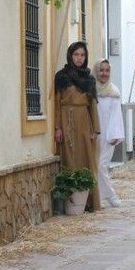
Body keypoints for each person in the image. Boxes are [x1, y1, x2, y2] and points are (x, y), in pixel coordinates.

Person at [54, 41, 101, 212]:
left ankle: (88, 202)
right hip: (66, 119)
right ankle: (70, 203)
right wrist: (57, 127)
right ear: (70, 56)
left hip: (83, 121)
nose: (79, 58)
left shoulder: (89, 79)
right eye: (76, 55)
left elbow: (92, 105)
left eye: (82, 55)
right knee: (69, 157)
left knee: (86, 158)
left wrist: (95, 129)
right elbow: (56, 103)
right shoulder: (61, 76)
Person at [95, 59, 124, 208]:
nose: (104, 73)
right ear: (96, 71)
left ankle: (111, 195)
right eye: (101, 70)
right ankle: (97, 198)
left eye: (107, 70)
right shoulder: (91, 90)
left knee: (101, 165)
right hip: (94, 135)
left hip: (107, 135)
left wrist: (114, 135)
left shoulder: (113, 91)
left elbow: (116, 115)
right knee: (94, 166)